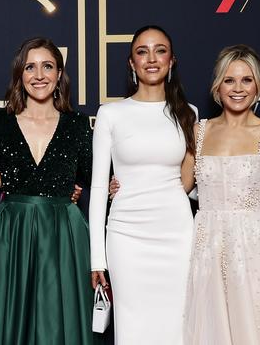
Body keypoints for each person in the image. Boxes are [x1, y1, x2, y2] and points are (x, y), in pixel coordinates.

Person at [183, 44, 260, 344]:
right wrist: (127, 187)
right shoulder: (197, 133)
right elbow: (177, 188)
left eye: (246, 80)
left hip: (256, 245)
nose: (237, 88)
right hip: (206, 245)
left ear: (258, 87)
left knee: (259, 328)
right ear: (217, 86)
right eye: (229, 80)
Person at [0, 37, 96, 345]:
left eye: (47, 66)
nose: (39, 75)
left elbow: (97, 175)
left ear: (58, 75)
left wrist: (114, 185)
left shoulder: (78, 124)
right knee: (13, 319)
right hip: (13, 230)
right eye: (30, 67)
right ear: (19, 74)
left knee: (60, 319)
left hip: (64, 230)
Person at [89, 25, 197, 344]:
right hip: (127, 237)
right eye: (142, 51)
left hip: (177, 234)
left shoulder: (188, 114)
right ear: (131, 62)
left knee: (178, 325)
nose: (151, 58)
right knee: (133, 327)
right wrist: (97, 258)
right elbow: (97, 189)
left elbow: (190, 183)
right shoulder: (111, 114)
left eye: (160, 50)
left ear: (172, 60)